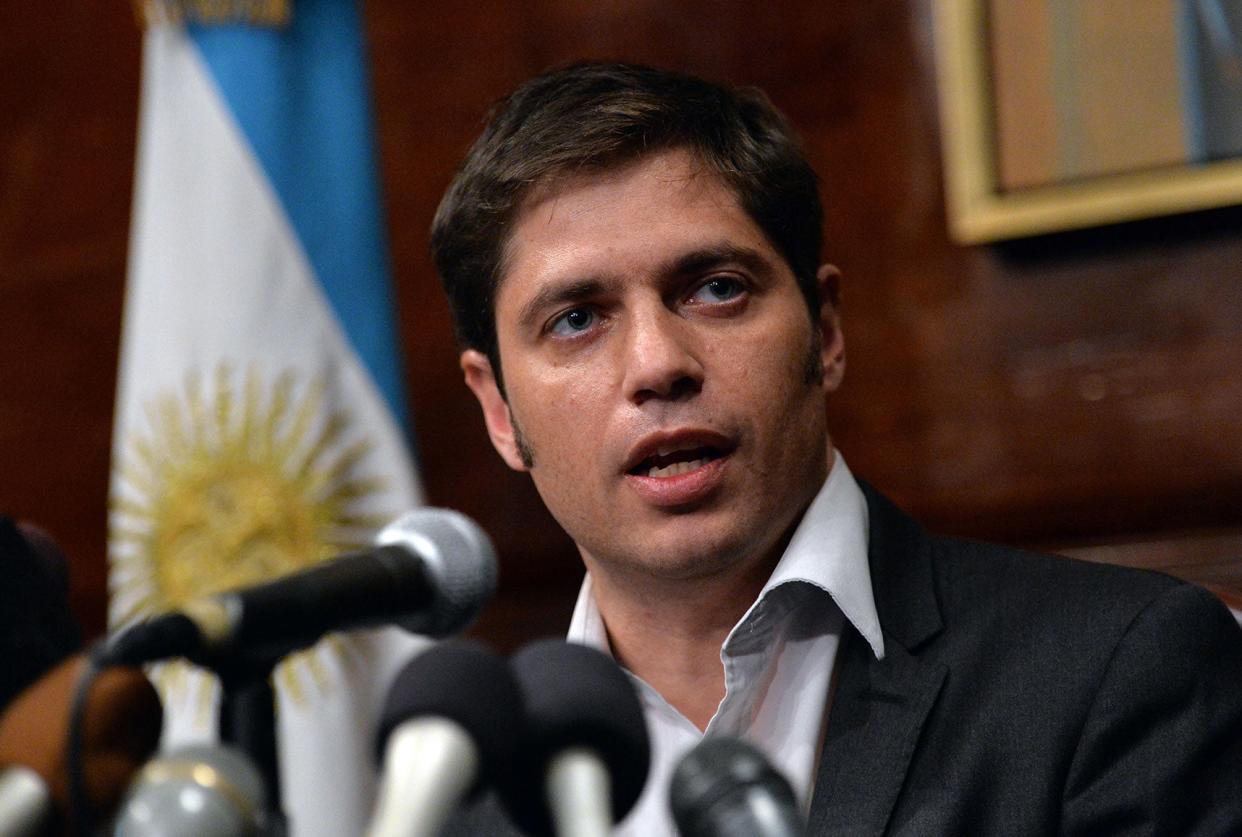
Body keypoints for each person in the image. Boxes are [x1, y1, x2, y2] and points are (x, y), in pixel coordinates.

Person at [430, 61, 1242, 835]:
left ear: (824, 331)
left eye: (716, 288)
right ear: (499, 408)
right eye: (576, 318)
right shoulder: (456, 799)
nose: (657, 364)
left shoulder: (1115, 670)